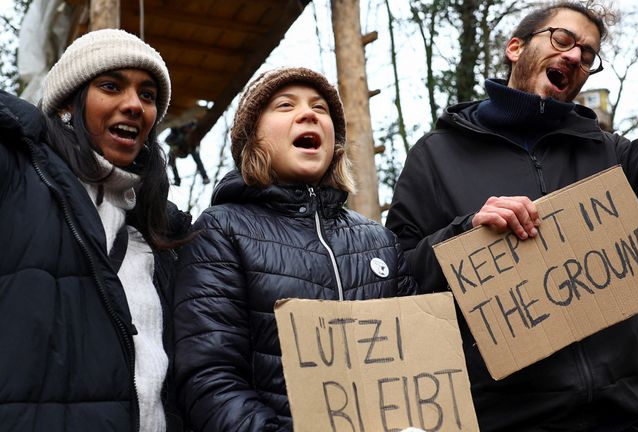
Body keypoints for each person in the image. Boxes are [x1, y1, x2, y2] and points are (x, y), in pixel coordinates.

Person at [386, 0, 638, 429]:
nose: (576, 56)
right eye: (563, 39)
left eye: (588, 54)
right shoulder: (436, 156)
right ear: (515, 48)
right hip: (503, 420)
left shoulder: (607, 153)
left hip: (617, 419)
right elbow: (399, 280)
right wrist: (464, 233)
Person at [173, 67, 418, 431]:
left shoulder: (380, 242)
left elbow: (422, 360)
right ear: (252, 138)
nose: (309, 115)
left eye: (320, 109)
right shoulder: (221, 230)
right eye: (285, 105)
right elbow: (210, 377)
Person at [0, 29, 191, 431]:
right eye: (110, 86)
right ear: (68, 103)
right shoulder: (16, 184)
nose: (134, 105)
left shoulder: (165, 235)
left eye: (148, 95)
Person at [165, 120, 210, 186]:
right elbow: (168, 140)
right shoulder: (175, 132)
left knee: (197, 158)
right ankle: (177, 180)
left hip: (189, 145)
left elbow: (195, 125)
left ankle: (205, 177)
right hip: (179, 146)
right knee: (171, 157)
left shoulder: (189, 124)